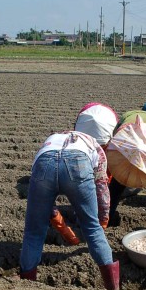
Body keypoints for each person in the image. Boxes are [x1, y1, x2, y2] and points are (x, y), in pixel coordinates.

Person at [19, 128, 119, 290]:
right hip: (78, 163)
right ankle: (112, 288)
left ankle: (27, 287)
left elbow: (46, 204)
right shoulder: (97, 148)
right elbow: (101, 187)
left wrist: (60, 225)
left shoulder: (50, 141)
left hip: (45, 162)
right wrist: (103, 220)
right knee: (93, 229)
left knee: (34, 232)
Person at [48, 103, 119, 246]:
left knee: (100, 181)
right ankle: (83, 216)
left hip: (104, 134)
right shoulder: (69, 147)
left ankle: (89, 218)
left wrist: (104, 219)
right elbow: (45, 201)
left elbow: (102, 186)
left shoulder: (104, 144)